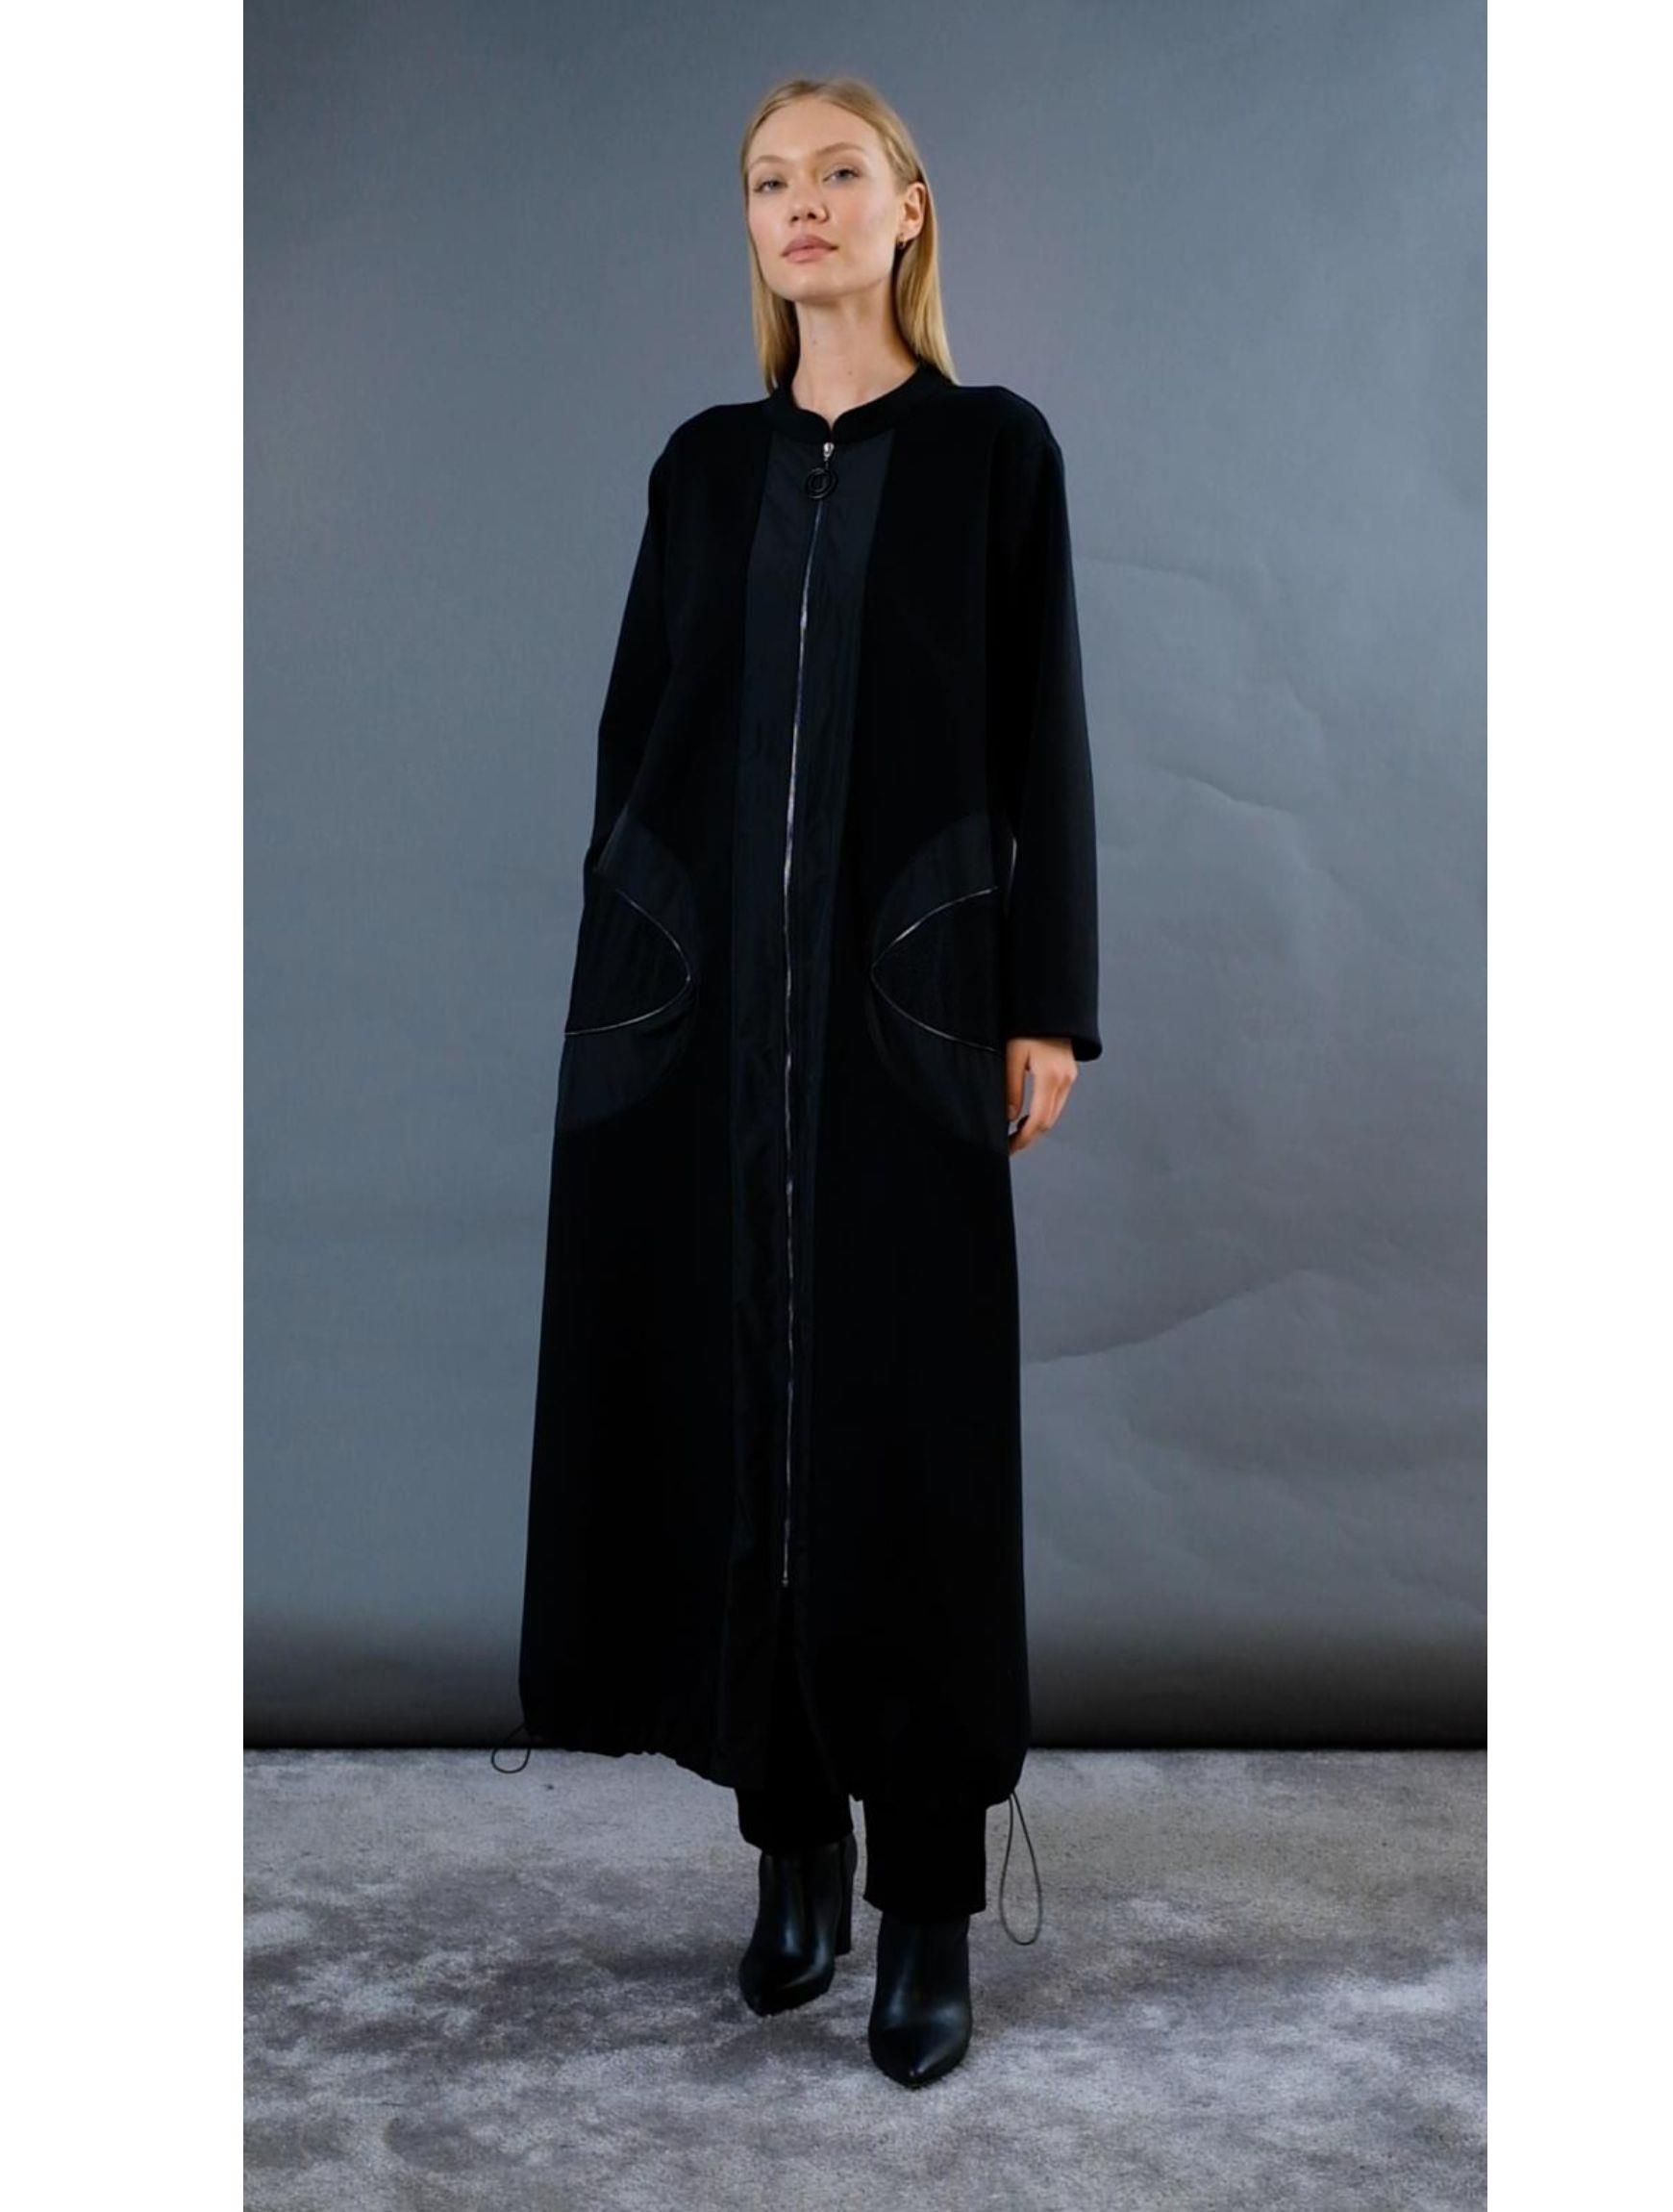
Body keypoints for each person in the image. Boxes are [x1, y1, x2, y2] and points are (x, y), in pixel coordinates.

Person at [504, 73, 1102, 2091]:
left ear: (910, 208)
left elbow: (1041, 736)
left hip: (907, 1019)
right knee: (732, 1413)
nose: (804, 205)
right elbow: (639, 742)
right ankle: (793, 1848)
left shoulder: (995, 455)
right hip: (702, 1032)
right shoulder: (703, 470)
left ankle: (925, 1898)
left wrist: (1043, 1001)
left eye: (841, 172)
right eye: (771, 182)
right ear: (752, 231)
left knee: (905, 1434)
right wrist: (633, 972)